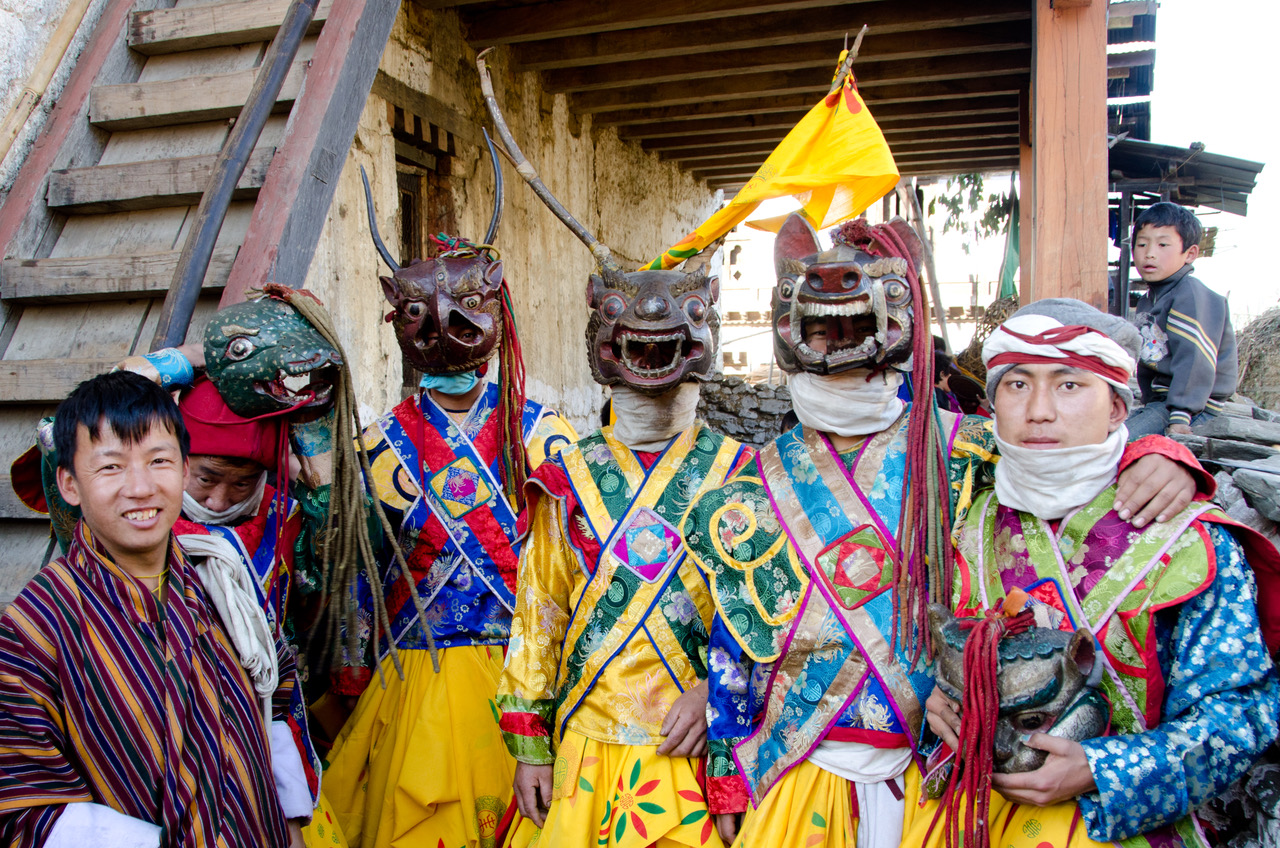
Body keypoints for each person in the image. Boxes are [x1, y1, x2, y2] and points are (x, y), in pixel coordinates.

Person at [679, 216, 1205, 848]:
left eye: (858, 327)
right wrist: (725, 768)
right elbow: (730, 642)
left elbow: (1068, 462)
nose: (839, 345)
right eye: (822, 329)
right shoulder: (754, 477)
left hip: (938, 774)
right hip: (798, 766)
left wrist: (1158, 452)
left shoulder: (970, 451)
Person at [906, 298, 1280, 848]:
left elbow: (1244, 711)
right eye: (1016, 384)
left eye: (1069, 385)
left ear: (1116, 409)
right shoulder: (966, 516)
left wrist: (1106, 769)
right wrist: (937, 705)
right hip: (968, 820)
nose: (1039, 411)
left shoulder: (1191, 538)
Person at [321, 173, 578, 848]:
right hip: (419, 681)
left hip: (530, 681)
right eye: (421, 317)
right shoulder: (377, 446)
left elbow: (580, 565)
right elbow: (359, 576)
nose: (447, 332)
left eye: (467, 310)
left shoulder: (546, 435)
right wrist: (350, 675)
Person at [0, 371, 308, 846]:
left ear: (183, 469)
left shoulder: (220, 580)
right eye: (111, 467)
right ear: (69, 484)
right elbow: (24, 803)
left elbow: (275, 703)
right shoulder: (35, 628)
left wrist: (290, 825)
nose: (141, 487)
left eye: (158, 460)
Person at [1126, 202, 1237, 438]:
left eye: (1163, 244)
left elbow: (1194, 359)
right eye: (1142, 244)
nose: (1149, 253)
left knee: (1116, 446)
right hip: (1162, 403)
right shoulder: (1150, 300)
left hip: (1190, 407)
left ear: (1190, 254)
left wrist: (1181, 415)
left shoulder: (1191, 295)